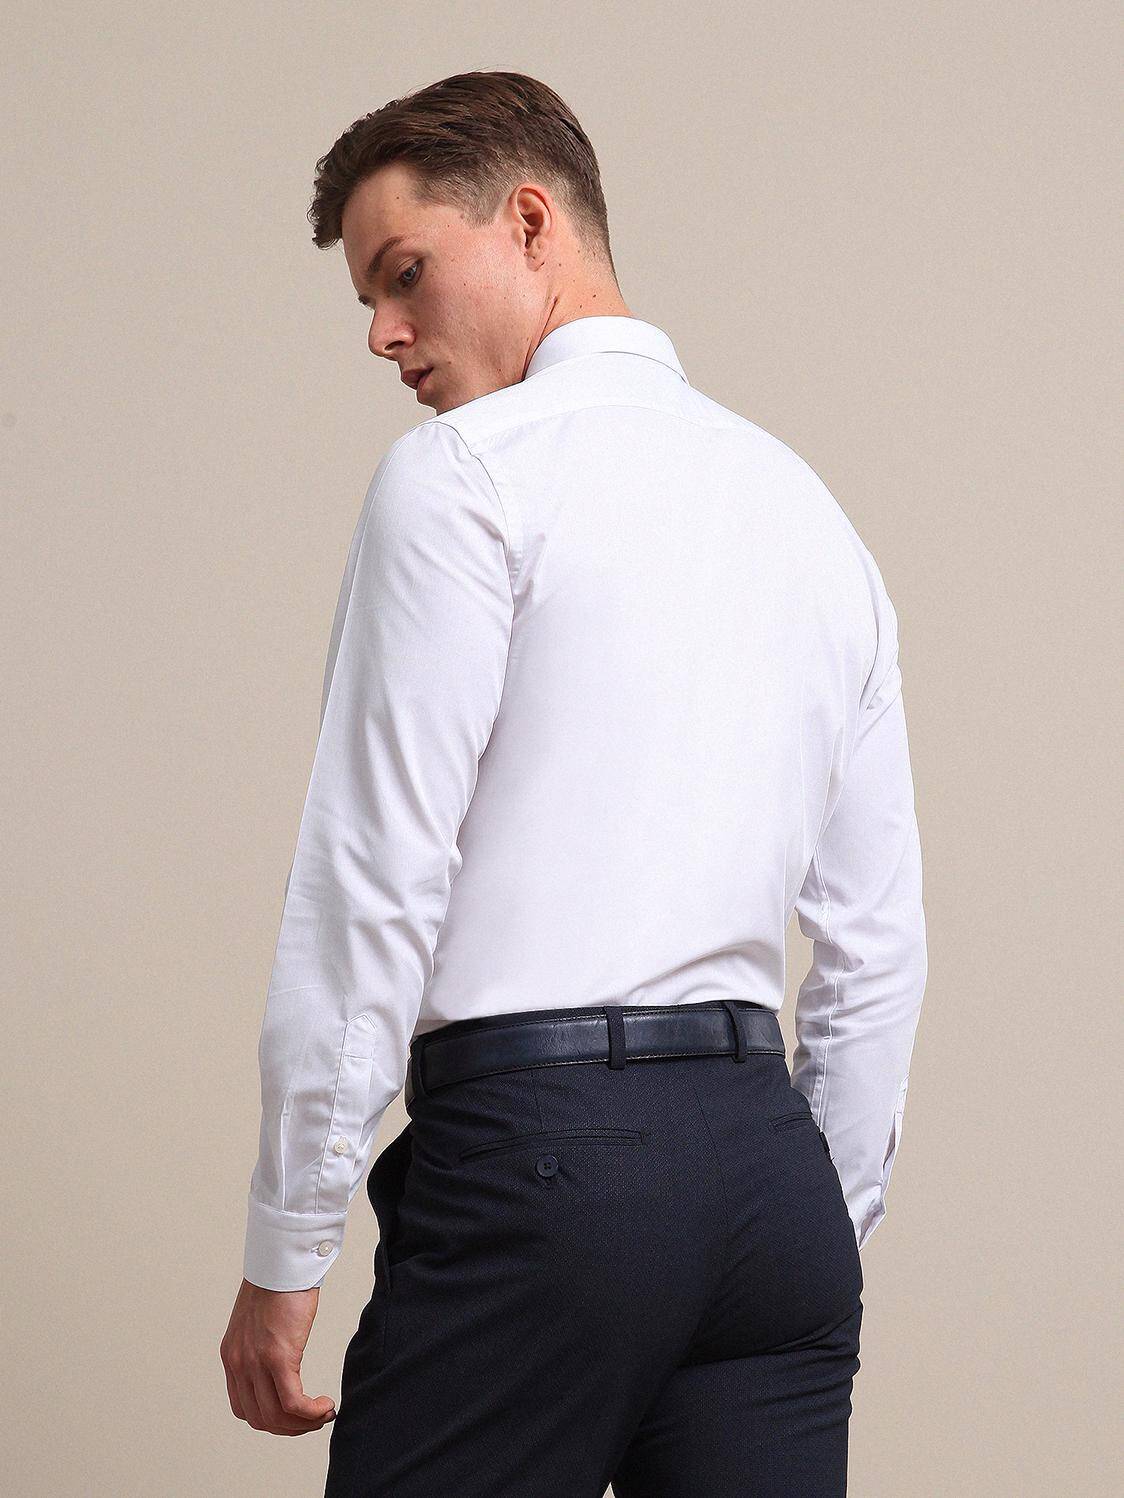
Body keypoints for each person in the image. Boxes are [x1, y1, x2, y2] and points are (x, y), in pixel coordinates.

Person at [220, 69, 927, 1498]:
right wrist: (813, 1222)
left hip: (542, 1166)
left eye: (405, 274)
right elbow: (878, 944)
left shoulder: (463, 477)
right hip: (771, 1193)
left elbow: (373, 884)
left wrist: (287, 1246)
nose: (382, 333)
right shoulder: (807, 512)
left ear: (531, 221)